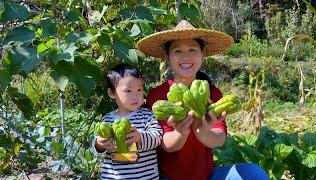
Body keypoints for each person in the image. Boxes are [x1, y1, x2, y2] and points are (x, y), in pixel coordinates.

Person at [137, 20, 269, 180]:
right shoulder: (158, 95)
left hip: (208, 176)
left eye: (193, 49)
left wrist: (201, 129)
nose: (186, 56)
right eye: (177, 51)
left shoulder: (212, 93)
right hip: (169, 177)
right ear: (167, 56)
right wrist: (180, 132)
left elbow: (219, 139)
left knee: (254, 174)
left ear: (202, 53)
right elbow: (166, 145)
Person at [93, 64, 163, 179]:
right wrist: (99, 144)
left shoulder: (146, 115)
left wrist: (140, 137)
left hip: (145, 177)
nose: (136, 95)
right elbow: (98, 148)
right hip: (114, 177)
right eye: (128, 91)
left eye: (139, 89)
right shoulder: (107, 120)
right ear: (111, 93)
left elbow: (158, 137)